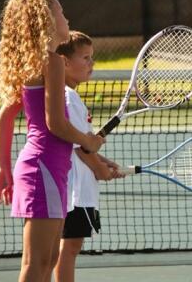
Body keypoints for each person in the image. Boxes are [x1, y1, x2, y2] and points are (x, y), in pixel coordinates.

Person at [0, 0, 105, 282]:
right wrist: (87, 141)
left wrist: (5, 168)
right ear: (47, 21)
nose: (67, 19)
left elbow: (5, 117)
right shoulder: (52, 62)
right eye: (61, 12)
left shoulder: (38, 62)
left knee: (48, 259)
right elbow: (55, 123)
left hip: (48, 169)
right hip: (43, 168)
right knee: (37, 263)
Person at [53, 31, 124, 282]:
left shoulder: (70, 96)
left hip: (74, 187)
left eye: (92, 58)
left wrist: (104, 163)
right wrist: (100, 170)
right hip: (74, 190)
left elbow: (84, 144)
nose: (91, 64)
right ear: (64, 62)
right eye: (85, 58)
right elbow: (79, 148)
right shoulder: (68, 97)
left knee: (69, 248)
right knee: (68, 250)